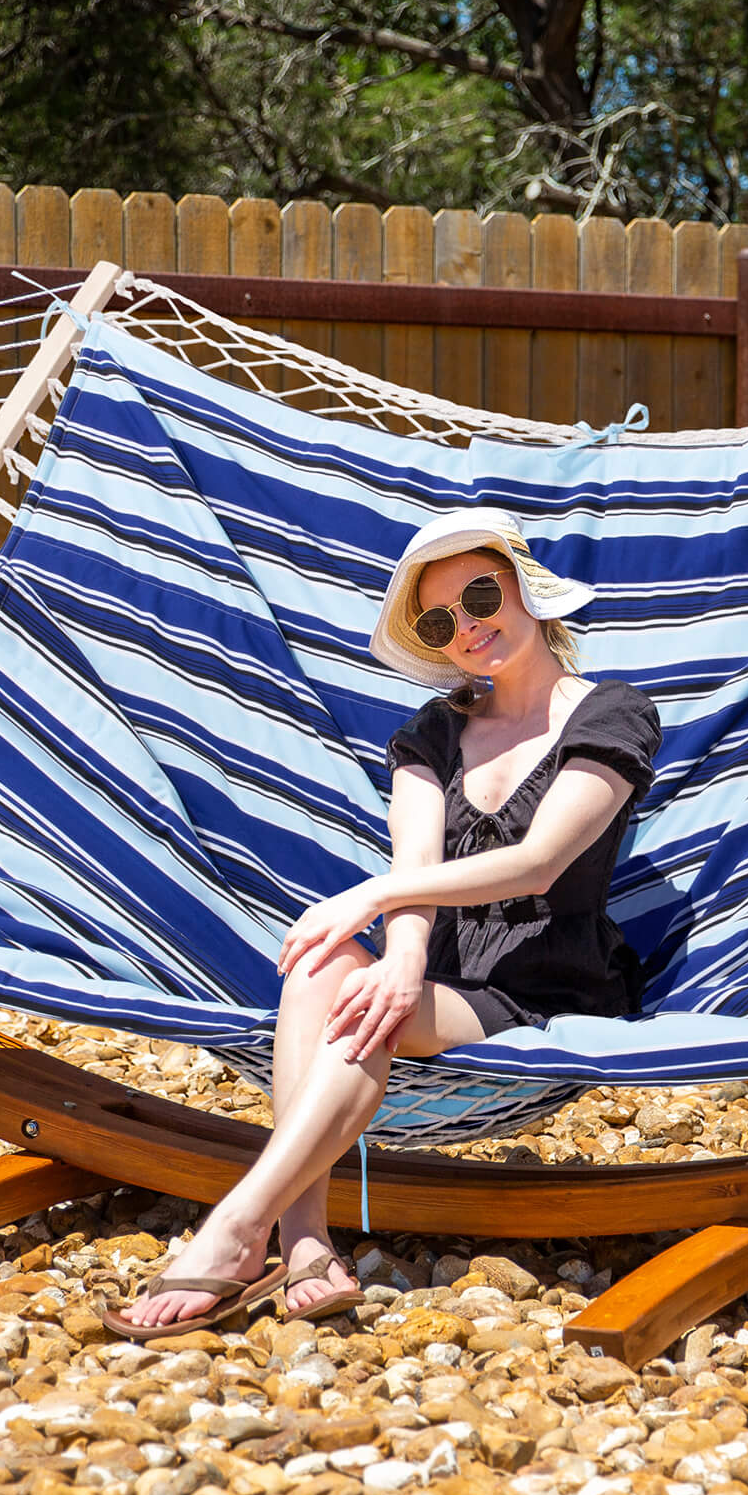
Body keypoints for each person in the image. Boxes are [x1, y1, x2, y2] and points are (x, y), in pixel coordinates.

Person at [106, 505, 661, 1337]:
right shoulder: (433, 735)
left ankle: (237, 1225)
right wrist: (402, 957)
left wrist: (371, 901)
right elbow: (417, 868)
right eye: (442, 620)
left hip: (548, 985)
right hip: (442, 973)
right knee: (328, 969)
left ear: (523, 588)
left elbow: (541, 860)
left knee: (354, 969)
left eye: (481, 596)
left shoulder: (610, 714)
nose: (469, 627)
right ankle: (304, 1242)